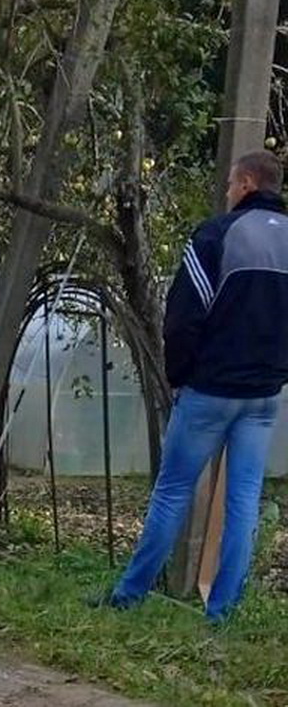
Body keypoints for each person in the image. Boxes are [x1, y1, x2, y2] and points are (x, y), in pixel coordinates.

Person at [102, 150, 288, 621]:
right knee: (244, 500)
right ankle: (221, 612)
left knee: (173, 492)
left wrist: (180, 376)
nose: (227, 192)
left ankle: (129, 596)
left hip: (210, 390)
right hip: (263, 396)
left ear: (246, 183)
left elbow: (183, 316)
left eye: (230, 184)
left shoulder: (216, 235)